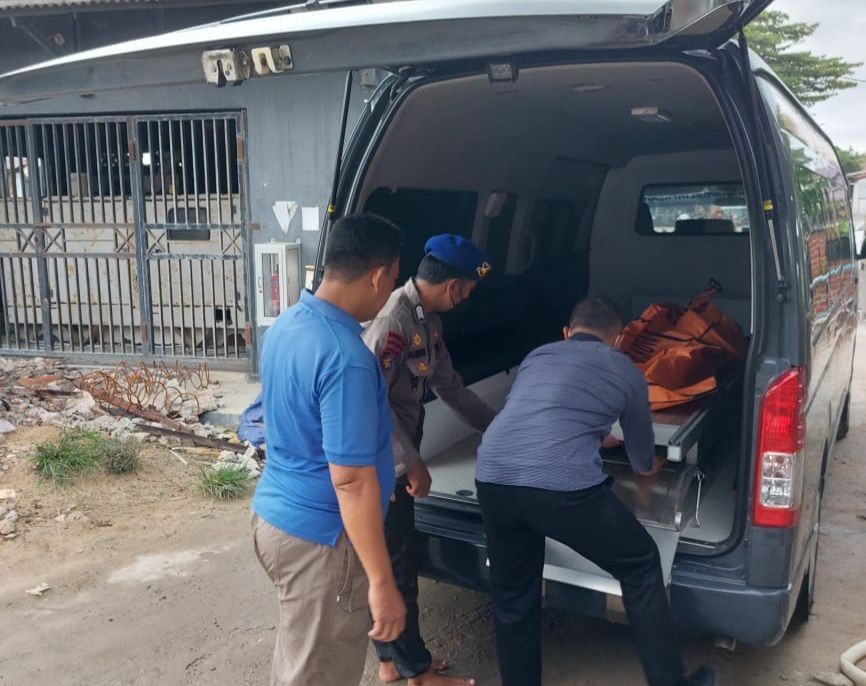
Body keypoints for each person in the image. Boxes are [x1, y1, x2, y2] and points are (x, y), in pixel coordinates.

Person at [475, 297, 715, 686]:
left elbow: (538, 412)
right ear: (618, 339)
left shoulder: (537, 356)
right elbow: (640, 454)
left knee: (514, 598)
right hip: (561, 488)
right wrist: (645, 467)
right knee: (640, 565)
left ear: (567, 333)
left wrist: (592, 432)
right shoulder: (625, 369)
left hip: (493, 475)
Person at [251, 213, 407, 686]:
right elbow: (352, 481)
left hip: (276, 517)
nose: (389, 292)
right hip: (321, 539)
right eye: (393, 280)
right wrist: (382, 580)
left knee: (301, 659)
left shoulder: (288, 325)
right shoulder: (345, 356)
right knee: (319, 674)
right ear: (379, 276)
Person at [362, 234, 497, 686]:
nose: (467, 300)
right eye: (469, 291)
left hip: (398, 448)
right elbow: (370, 402)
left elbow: (449, 386)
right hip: (383, 455)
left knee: (396, 553)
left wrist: (496, 427)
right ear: (455, 287)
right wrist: (410, 463)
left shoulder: (427, 321)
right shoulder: (395, 322)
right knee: (399, 562)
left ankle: (391, 661)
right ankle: (416, 671)